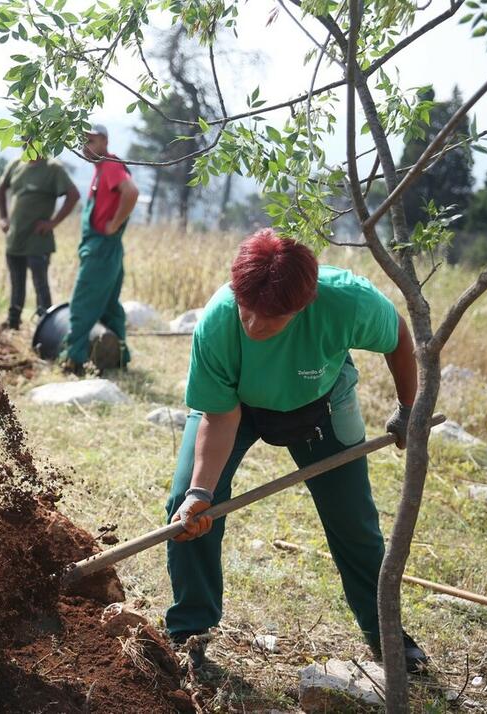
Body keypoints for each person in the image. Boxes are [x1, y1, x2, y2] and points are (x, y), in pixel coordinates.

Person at [166, 228, 429, 674]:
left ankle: (387, 636)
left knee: (355, 525)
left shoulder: (347, 301)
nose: (253, 326)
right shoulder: (219, 319)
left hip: (322, 405)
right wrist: (201, 492)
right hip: (236, 407)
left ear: (304, 304)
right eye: (247, 311)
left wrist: (410, 410)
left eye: (269, 319)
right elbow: (219, 416)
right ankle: (189, 634)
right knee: (187, 511)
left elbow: (399, 336)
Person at [60, 124, 139, 374]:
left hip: (102, 250)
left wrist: (114, 224)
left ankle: (73, 360)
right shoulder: (101, 168)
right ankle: (119, 358)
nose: (86, 146)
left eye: (91, 141)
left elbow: (132, 192)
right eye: (83, 141)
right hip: (108, 250)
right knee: (109, 306)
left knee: (82, 304)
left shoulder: (110, 165)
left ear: (105, 141)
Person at [0, 151, 80, 329]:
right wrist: (3, 217)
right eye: (24, 139)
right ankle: (13, 322)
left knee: (40, 285)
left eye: (33, 138)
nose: (28, 143)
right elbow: (2, 187)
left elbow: (73, 195)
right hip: (15, 236)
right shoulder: (16, 163)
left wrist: (52, 223)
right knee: (17, 283)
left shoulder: (53, 168)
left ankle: (46, 327)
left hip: (38, 239)